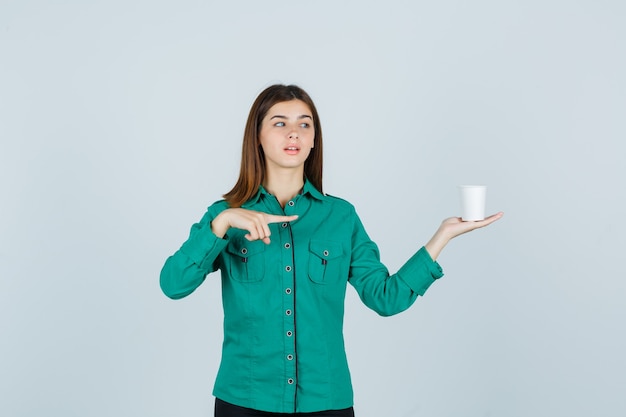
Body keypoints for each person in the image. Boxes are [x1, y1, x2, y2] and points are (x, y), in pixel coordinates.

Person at [160, 84, 503, 417]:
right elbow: (173, 284)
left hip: (325, 401)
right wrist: (221, 224)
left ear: (313, 141)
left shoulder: (341, 217)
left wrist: (442, 236)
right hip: (245, 399)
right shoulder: (225, 215)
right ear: (258, 137)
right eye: (279, 123)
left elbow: (386, 297)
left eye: (304, 124)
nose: (293, 133)